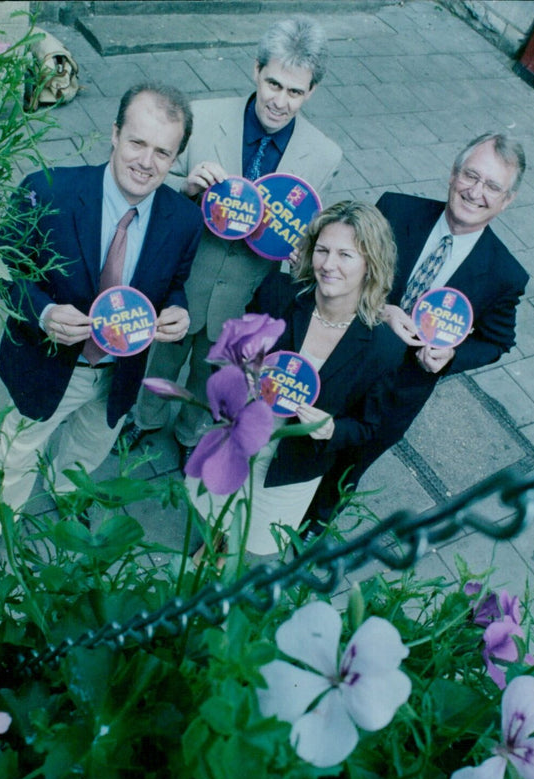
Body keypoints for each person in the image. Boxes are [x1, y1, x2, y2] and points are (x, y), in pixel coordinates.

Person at [0, 83, 204, 580]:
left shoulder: (183, 219)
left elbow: (173, 284)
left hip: (121, 370)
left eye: (163, 151)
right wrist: (45, 313)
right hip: (54, 362)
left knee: (92, 443)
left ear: (177, 157)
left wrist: (177, 312)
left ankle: (65, 488)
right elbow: (5, 273)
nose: (146, 161)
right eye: (137, 142)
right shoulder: (48, 189)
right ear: (114, 135)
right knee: (18, 448)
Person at [117, 15, 342, 463]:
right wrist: (184, 187)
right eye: (273, 83)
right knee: (160, 359)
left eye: (295, 92)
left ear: (311, 91)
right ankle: (143, 419)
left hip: (243, 296)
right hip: (182, 279)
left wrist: (305, 251)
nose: (279, 101)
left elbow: (308, 229)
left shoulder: (325, 155)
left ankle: (189, 433)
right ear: (256, 69)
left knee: (213, 372)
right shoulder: (204, 114)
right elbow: (149, 179)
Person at [307, 132, 529, 530]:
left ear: (507, 200)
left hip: (400, 391)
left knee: (348, 469)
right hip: (341, 360)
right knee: (305, 439)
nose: (475, 192)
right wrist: (380, 309)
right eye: (470, 176)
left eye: (492, 186)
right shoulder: (394, 210)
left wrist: (451, 356)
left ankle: (311, 531)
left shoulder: (504, 273)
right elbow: (342, 269)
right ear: (452, 174)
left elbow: (497, 342)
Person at [187, 201, 405, 558]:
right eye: (322, 250)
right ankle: (213, 545)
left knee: (254, 536)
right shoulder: (279, 293)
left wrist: (332, 428)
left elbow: (368, 427)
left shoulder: (383, 348)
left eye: (345, 255)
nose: (328, 265)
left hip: (293, 464)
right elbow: (229, 352)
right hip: (240, 437)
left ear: (371, 265)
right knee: (217, 507)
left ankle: (229, 556)